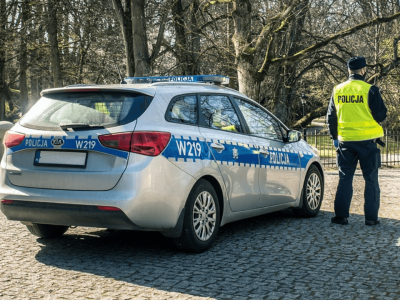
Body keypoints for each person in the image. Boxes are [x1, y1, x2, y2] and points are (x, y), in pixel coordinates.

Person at [326, 56, 387, 226]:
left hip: (346, 142)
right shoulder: (371, 90)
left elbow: (331, 117)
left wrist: (335, 137)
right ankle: (371, 218)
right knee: (371, 179)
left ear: (349, 71)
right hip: (368, 142)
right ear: (363, 70)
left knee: (345, 178)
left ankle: (341, 216)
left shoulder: (338, 90)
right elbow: (381, 115)